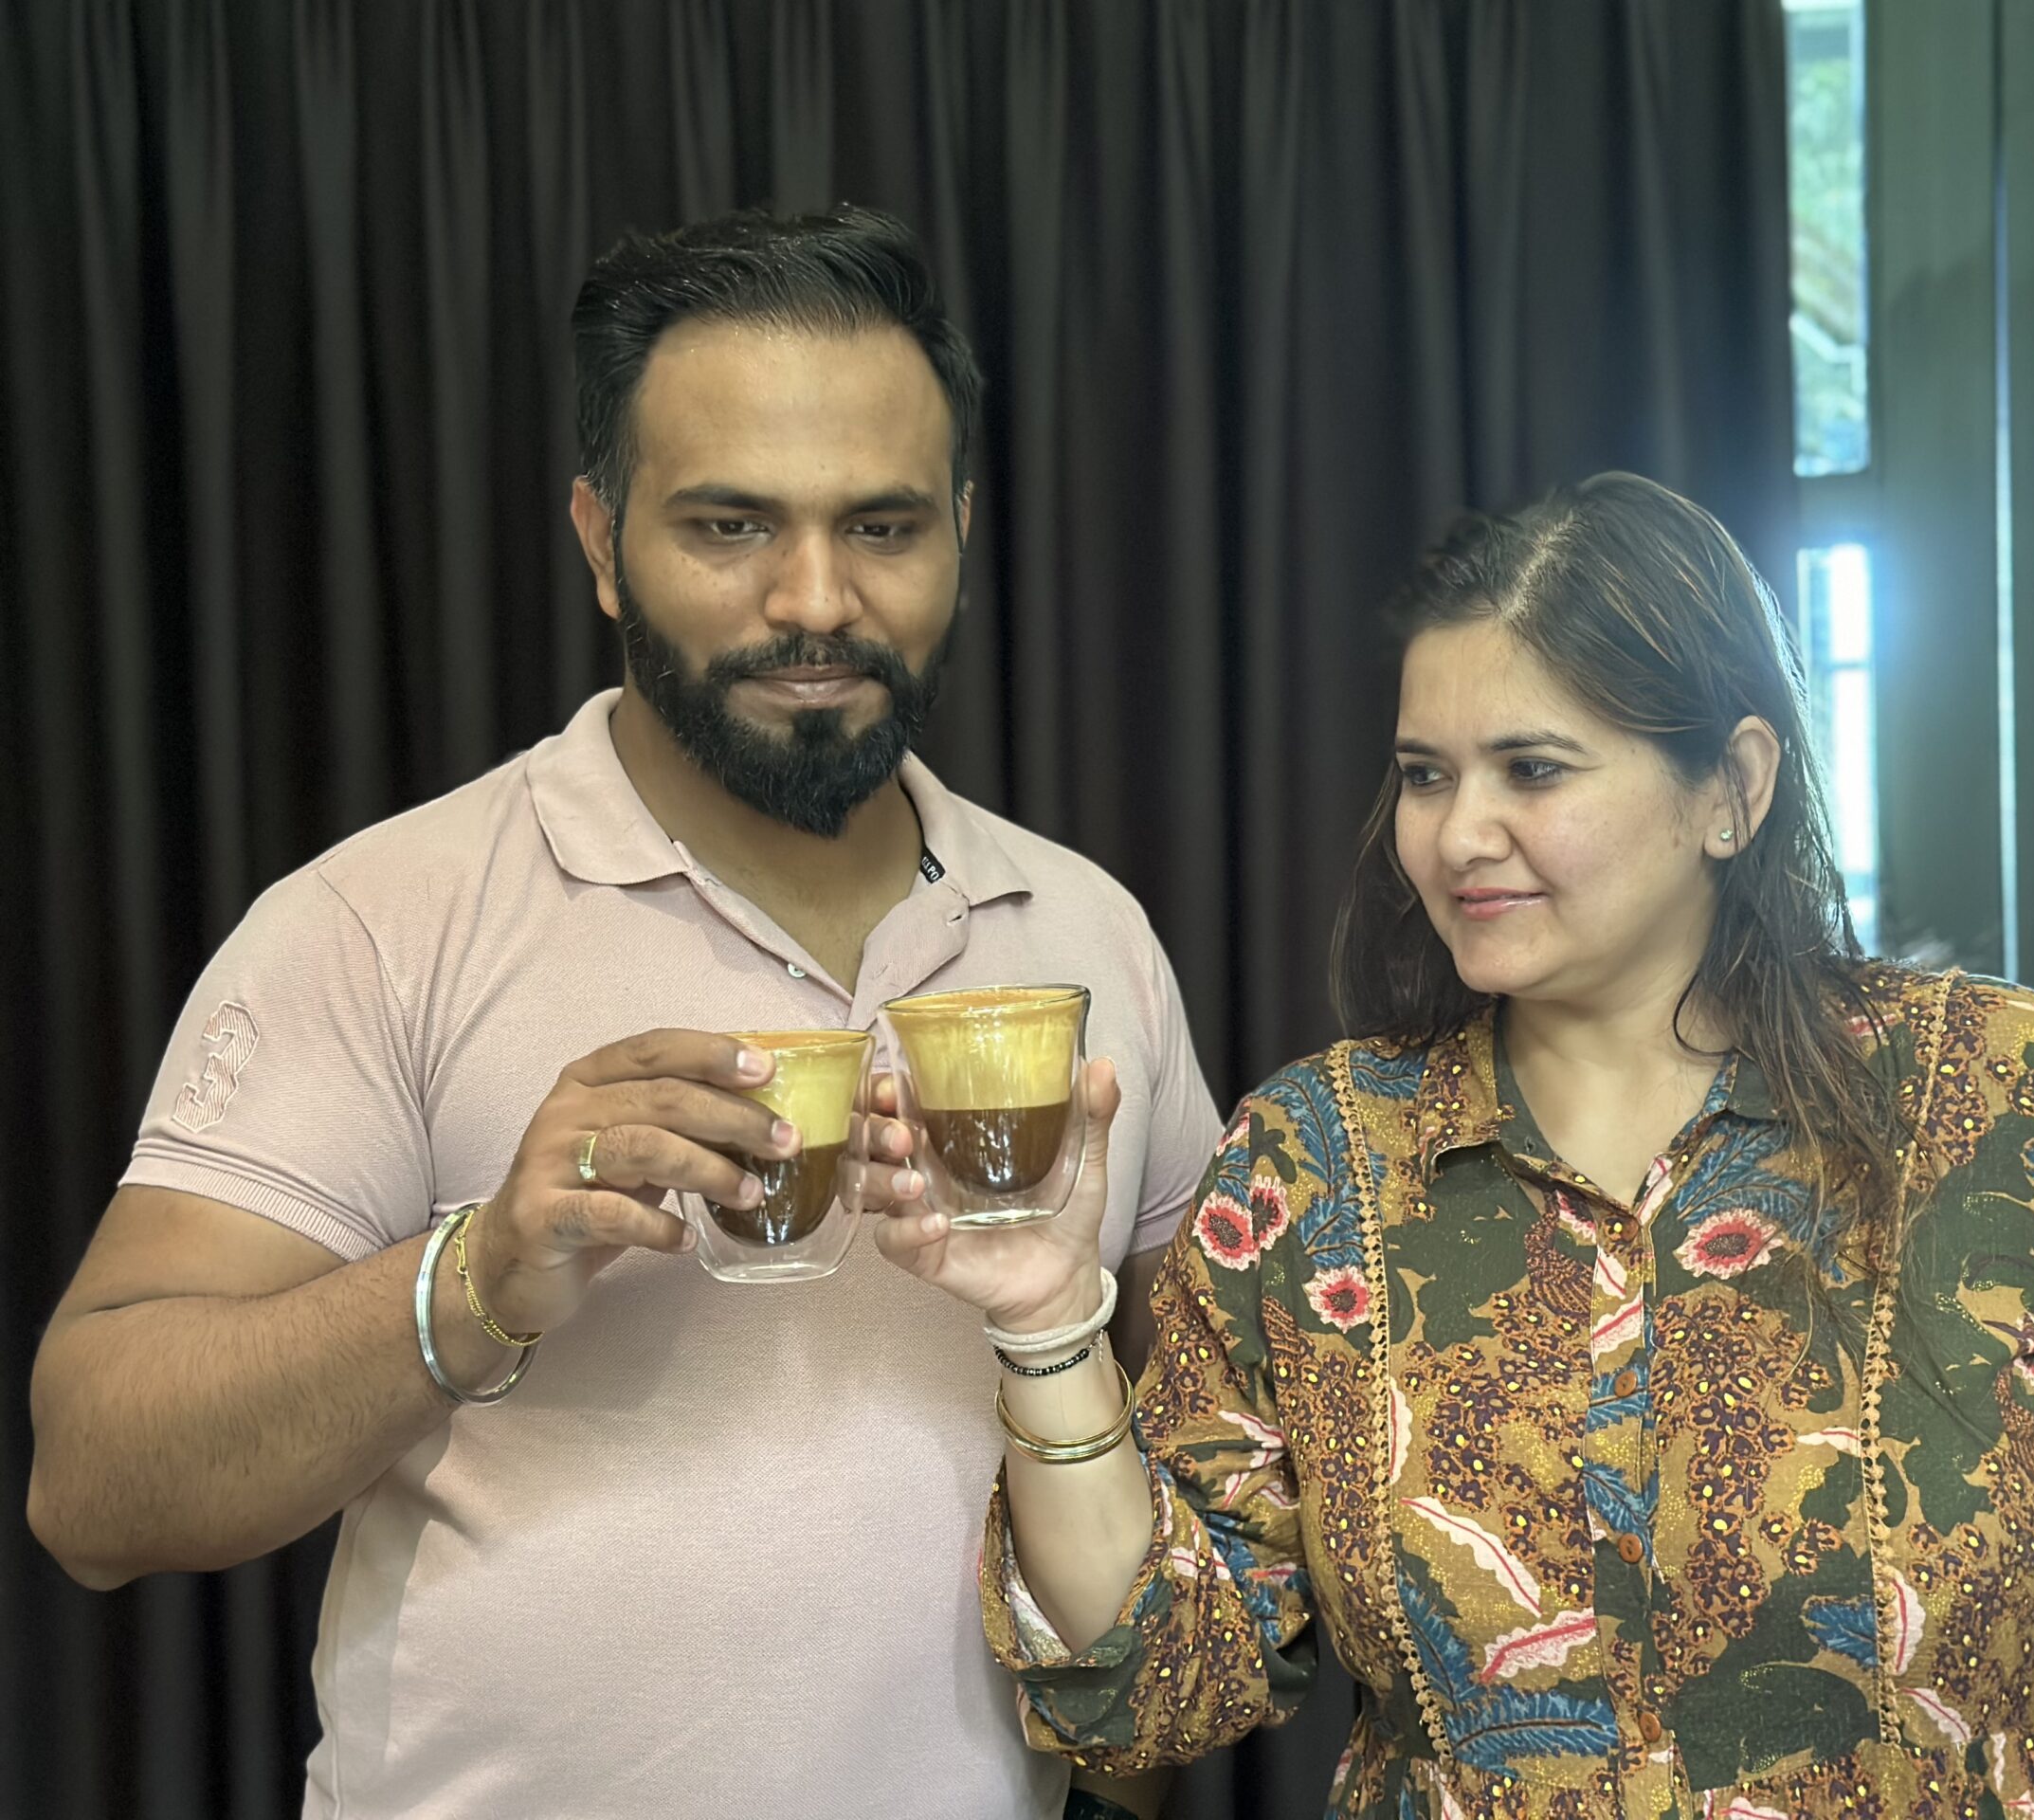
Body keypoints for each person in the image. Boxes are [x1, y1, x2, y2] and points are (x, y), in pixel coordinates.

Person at [875, 472, 2034, 1819]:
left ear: (1733, 790)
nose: (1458, 835)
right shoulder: (1313, 1167)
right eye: (1425, 773)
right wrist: (1047, 1321)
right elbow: (1155, 1689)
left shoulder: (2022, 1100)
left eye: (1533, 769)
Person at [27, 207, 1221, 1819]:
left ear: (959, 527)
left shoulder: (1089, 935)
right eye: (730, 525)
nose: (816, 599)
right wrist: (477, 1277)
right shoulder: (383, 922)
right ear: (600, 541)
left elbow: (1204, 1517)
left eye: (881, 526)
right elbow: (93, 1485)